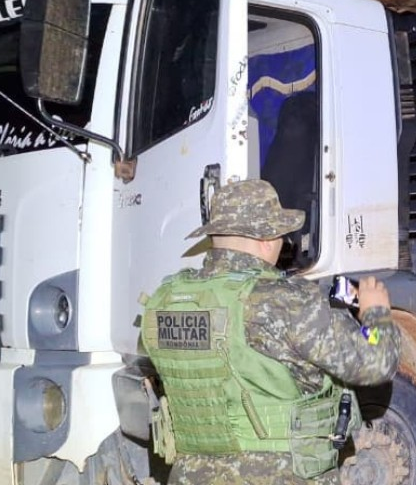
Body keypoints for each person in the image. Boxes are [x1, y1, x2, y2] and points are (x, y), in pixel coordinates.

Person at [141, 178, 401, 485]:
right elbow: (376, 361)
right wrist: (375, 314)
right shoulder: (285, 301)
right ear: (267, 239)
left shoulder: (166, 300)